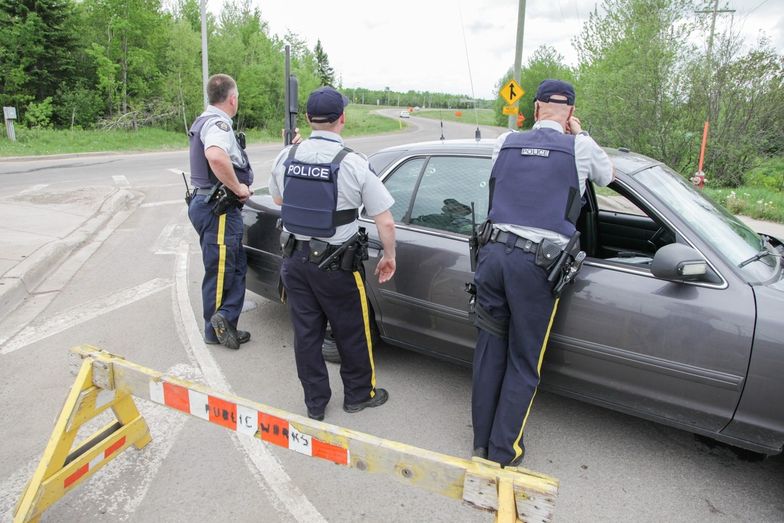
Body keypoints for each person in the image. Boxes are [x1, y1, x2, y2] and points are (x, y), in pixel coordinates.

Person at [471, 79, 614, 466]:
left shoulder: (505, 142)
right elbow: (607, 176)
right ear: (569, 113)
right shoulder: (579, 147)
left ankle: (480, 444)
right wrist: (580, 132)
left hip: (493, 255)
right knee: (523, 358)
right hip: (535, 267)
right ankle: (505, 450)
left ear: (535, 109)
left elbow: (502, 182)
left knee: (489, 351)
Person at [269, 86, 397, 421]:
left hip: (294, 263)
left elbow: (280, 201)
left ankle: (315, 403)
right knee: (352, 331)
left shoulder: (287, 157)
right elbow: (385, 221)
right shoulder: (353, 163)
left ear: (310, 119)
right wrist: (389, 256)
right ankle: (358, 395)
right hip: (336, 266)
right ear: (342, 119)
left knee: (306, 335)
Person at [187, 74, 254, 350]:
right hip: (219, 208)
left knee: (235, 266)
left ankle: (227, 322)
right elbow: (215, 155)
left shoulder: (205, 120)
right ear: (232, 98)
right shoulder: (217, 124)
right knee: (222, 270)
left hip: (215, 207)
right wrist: (238, 187)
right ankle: (214, 329)